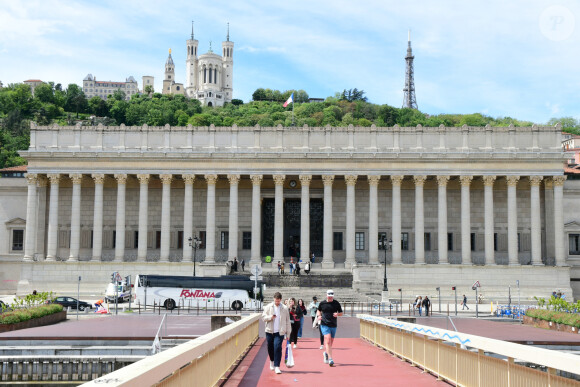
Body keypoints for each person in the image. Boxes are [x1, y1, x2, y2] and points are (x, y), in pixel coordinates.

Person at [262, 292, 291, 374]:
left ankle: (277, 366)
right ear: (273, 299)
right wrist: (270, 317)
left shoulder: (284, 308)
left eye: (278, 301)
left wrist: (288, 334)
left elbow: (288, 321)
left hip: (280, 332)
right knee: (270, 348)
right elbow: (263, 318)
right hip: (269, 331)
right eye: (275, 301)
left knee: (277, 347)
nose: (277, 302)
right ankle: (271, 361)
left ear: (280, 300)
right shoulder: (268, 307)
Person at [317, 289, 343, 367]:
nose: (330, 298)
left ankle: (326, 353)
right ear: (327, 295)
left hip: (333, 325)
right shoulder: (322, 303)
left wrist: (337, 314)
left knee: (330, 342)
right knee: (327, 340)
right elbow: (318, 310)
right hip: (324, 324)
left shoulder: (336, 303)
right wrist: (319, 316)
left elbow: (341, 313)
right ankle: (330, 359)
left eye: (332, 296)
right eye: (329, 296)